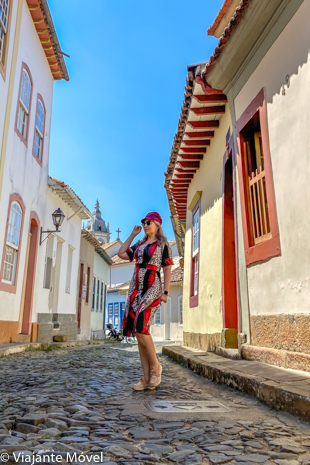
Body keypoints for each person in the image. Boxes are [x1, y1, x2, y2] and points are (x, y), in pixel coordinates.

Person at [118, 212, 173, 391]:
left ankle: (156, 367)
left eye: (149, 222)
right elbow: (121, 254)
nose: (146, 225)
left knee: (141, 328)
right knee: (139, 332)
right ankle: (147, 377)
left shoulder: (163, 244)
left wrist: (165, 292)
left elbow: (167, 269)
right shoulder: (140, 244)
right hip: (136, 289)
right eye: (144, 222)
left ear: (157, 224)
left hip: (153, 288)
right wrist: (133, 235)